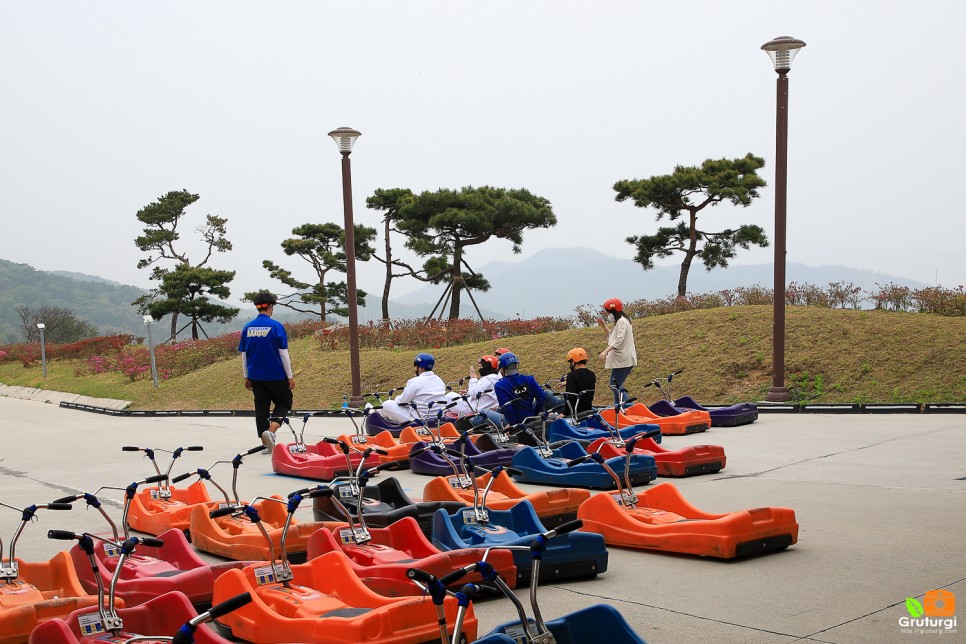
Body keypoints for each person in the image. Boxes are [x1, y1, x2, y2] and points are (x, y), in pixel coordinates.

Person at [238, 291, 295, 451]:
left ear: (257, 307)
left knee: (261, 407)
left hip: (256, 376)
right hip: (276, 375)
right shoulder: (276, 326)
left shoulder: (247, 328)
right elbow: (284, 354)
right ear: (270, 307)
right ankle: (271, 431)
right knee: (284, 402)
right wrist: (290, 377)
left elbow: (244, 355)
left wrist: (246, 376)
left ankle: (265, 444)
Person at [376, 352, 448, 424]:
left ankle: (375, 415)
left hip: (418, 419)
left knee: (387, 404)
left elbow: (402, 401)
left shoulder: (414, 382)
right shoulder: (439, 380)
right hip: (437, 417)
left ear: (420, 368)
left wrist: (397, 398)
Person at [597, 297, 638, 405]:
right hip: (621, 360)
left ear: (613, 312)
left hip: (624, 359)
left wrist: (605, 351)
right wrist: (603, 326)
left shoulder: (622, 322)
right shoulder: (620, 322)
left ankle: (629, 408)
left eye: (608, 312)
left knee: (615, 386)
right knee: (615, 386)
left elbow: (618, 340)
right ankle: (618, 408)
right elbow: (612, 336)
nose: (607, 315)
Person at [446, 354, 504, 428]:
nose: (480, 368)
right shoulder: (498, 378)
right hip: (488, 407)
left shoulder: (487, 379)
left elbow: (473, 394)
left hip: (473, 409)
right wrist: (468, 392)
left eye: (482, 366)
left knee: (449, 396)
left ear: (488, 366)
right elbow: (484, 393)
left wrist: (473, 379)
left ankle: (436, 424)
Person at [493, 352, 547, 426]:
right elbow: (542, 397)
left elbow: (506, 408)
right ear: (516, 365)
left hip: (516, 421)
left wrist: (512, 424)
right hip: (531, 416)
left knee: (484, 412)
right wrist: (535, 413)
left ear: (502, 369)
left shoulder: (500, 386)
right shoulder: (529, 379)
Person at [562, 347, 596, 415]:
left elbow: (571, 397)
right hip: (587, 407)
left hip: (574, 410)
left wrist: (564, 413)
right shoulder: (592, 374)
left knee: (547, 394)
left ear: (573, 361)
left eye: (570, 362)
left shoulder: (571, 375)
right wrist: (569, 383)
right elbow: (583, 383)